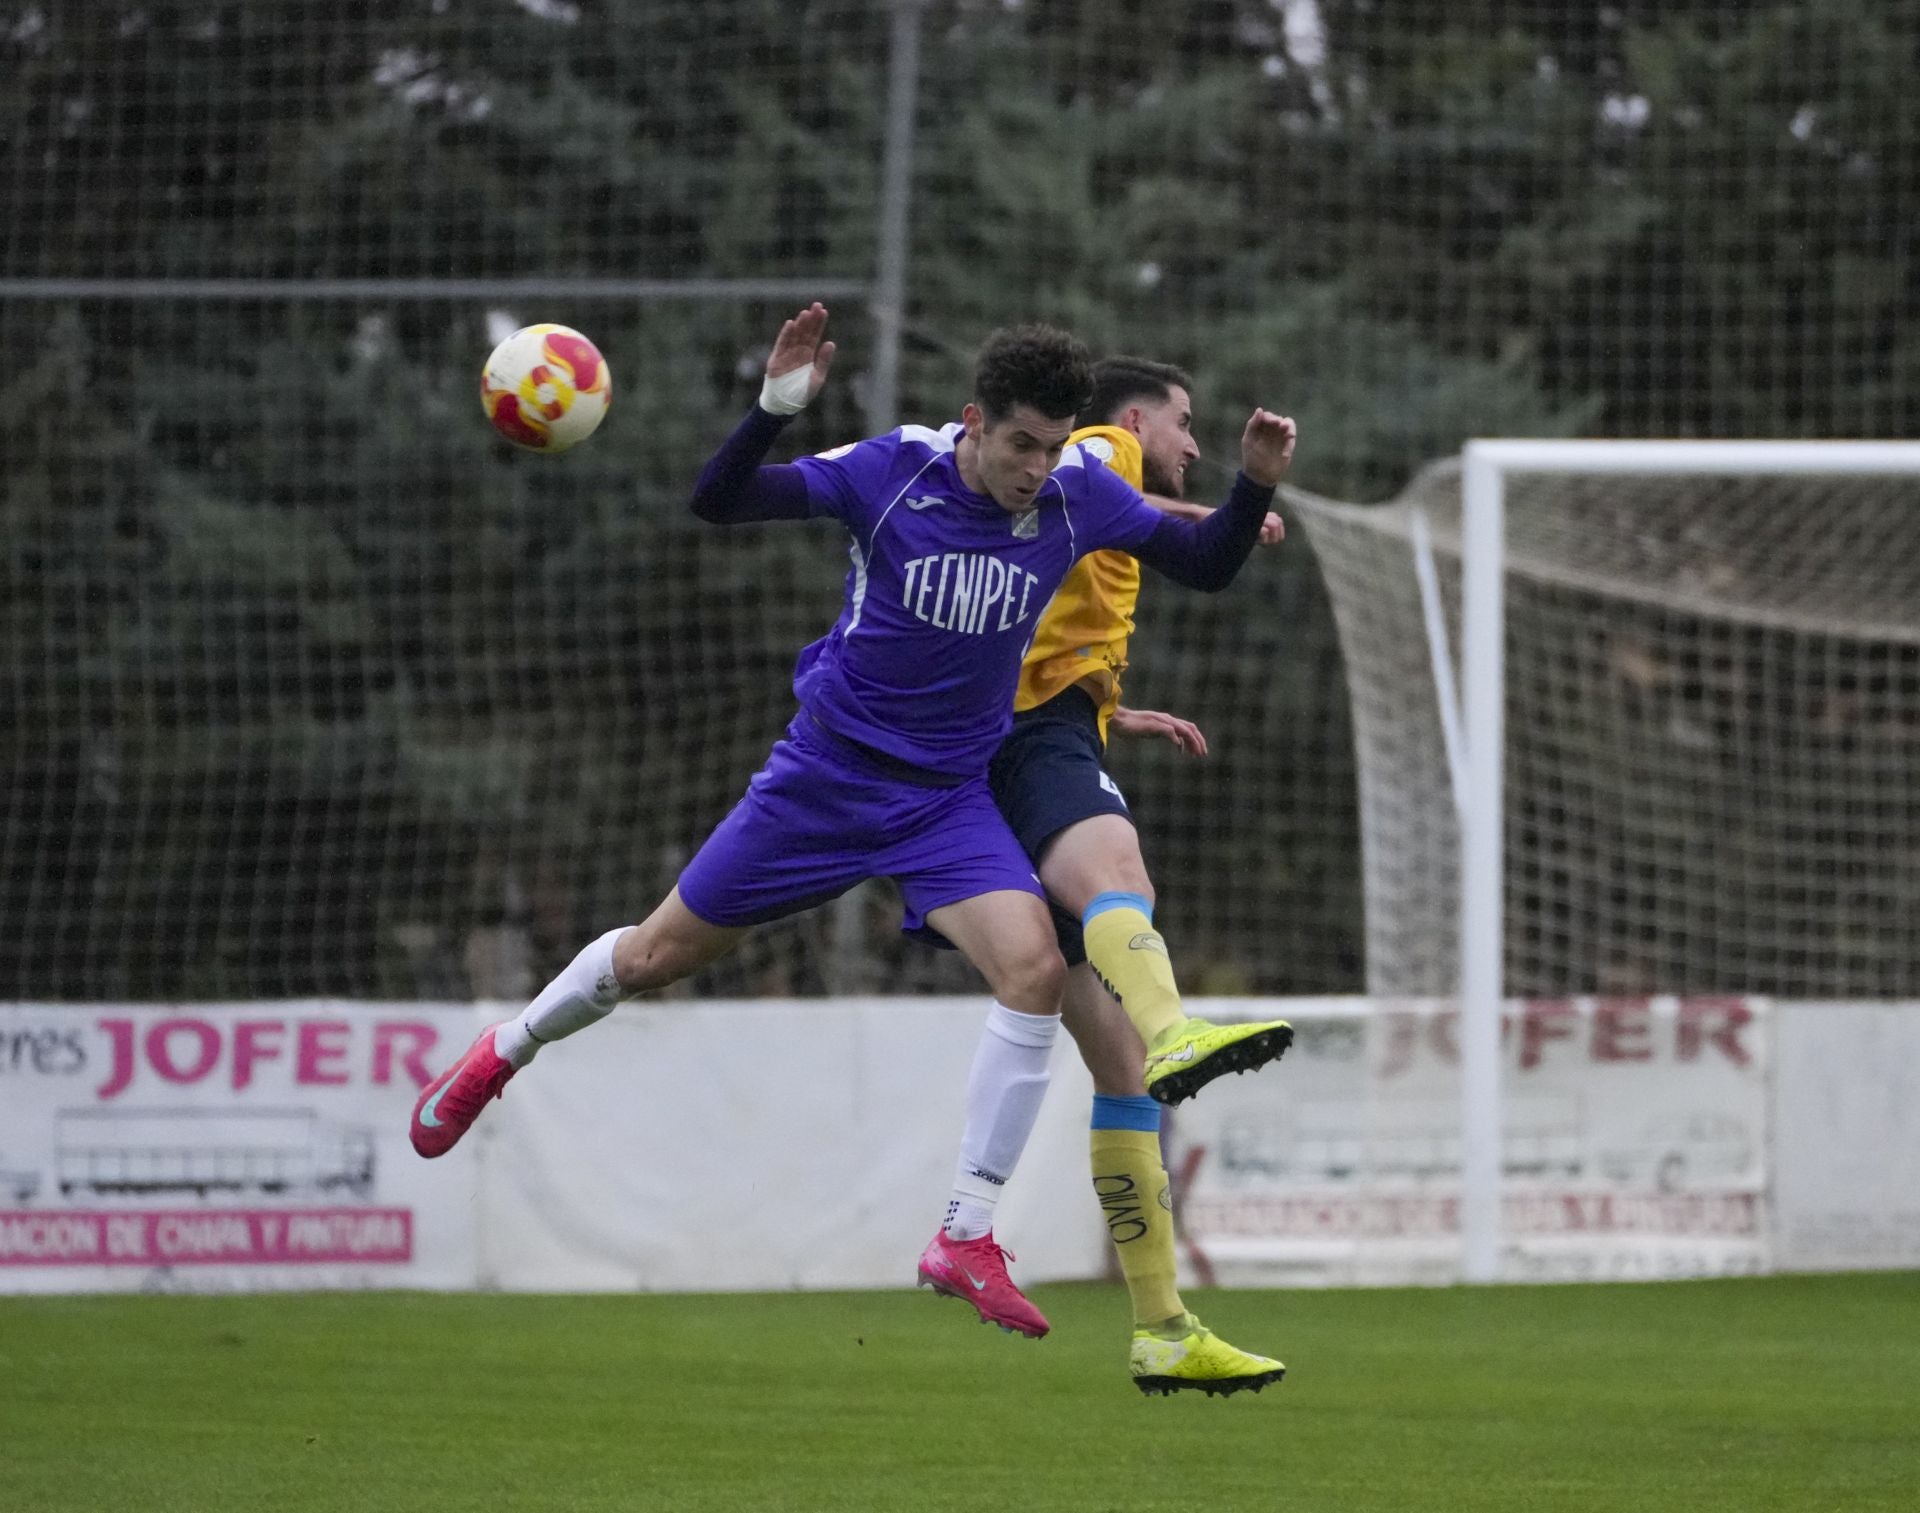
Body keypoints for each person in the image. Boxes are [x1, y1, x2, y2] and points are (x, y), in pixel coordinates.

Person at [407, 303, 1294, 1320]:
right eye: (1018, 445)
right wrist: (775, 405)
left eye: (1052, 448)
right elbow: (720, 499)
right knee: (651, 958)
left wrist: (1254, 479)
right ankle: (500, 1053)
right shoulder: (893, 471)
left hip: (944, 801)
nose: (1035, 468)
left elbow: (1209, 562)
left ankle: (965, 1234)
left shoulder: (1077, 498)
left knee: (1037, 970)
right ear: (974, 421)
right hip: (823, 782)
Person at [918, 358, 1292, 1396]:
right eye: (1186, 422)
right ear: (1137, 418)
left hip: (1023, 727)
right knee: (1121, 872)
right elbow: (1089, 481)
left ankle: (1163, 1326)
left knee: (1117, 1070)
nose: (1192, 442)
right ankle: (1181, 1025)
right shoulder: (1101, 448)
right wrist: (1228, 496)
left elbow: (1039, 599)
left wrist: (1107, 702)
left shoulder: (1080, 503)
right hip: (1027, 743)